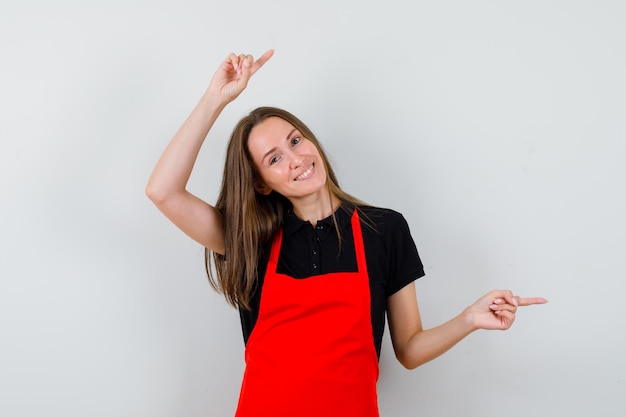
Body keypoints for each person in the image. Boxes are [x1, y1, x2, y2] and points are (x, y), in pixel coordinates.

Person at [146, 50, 547, 417]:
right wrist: (216, 98)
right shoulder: (252, 240)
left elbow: (408, 349)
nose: (297, 158)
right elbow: (162, 191)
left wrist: (468, 319)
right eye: (274, 158)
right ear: (261, 183)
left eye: (295, 140)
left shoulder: (384, 229)